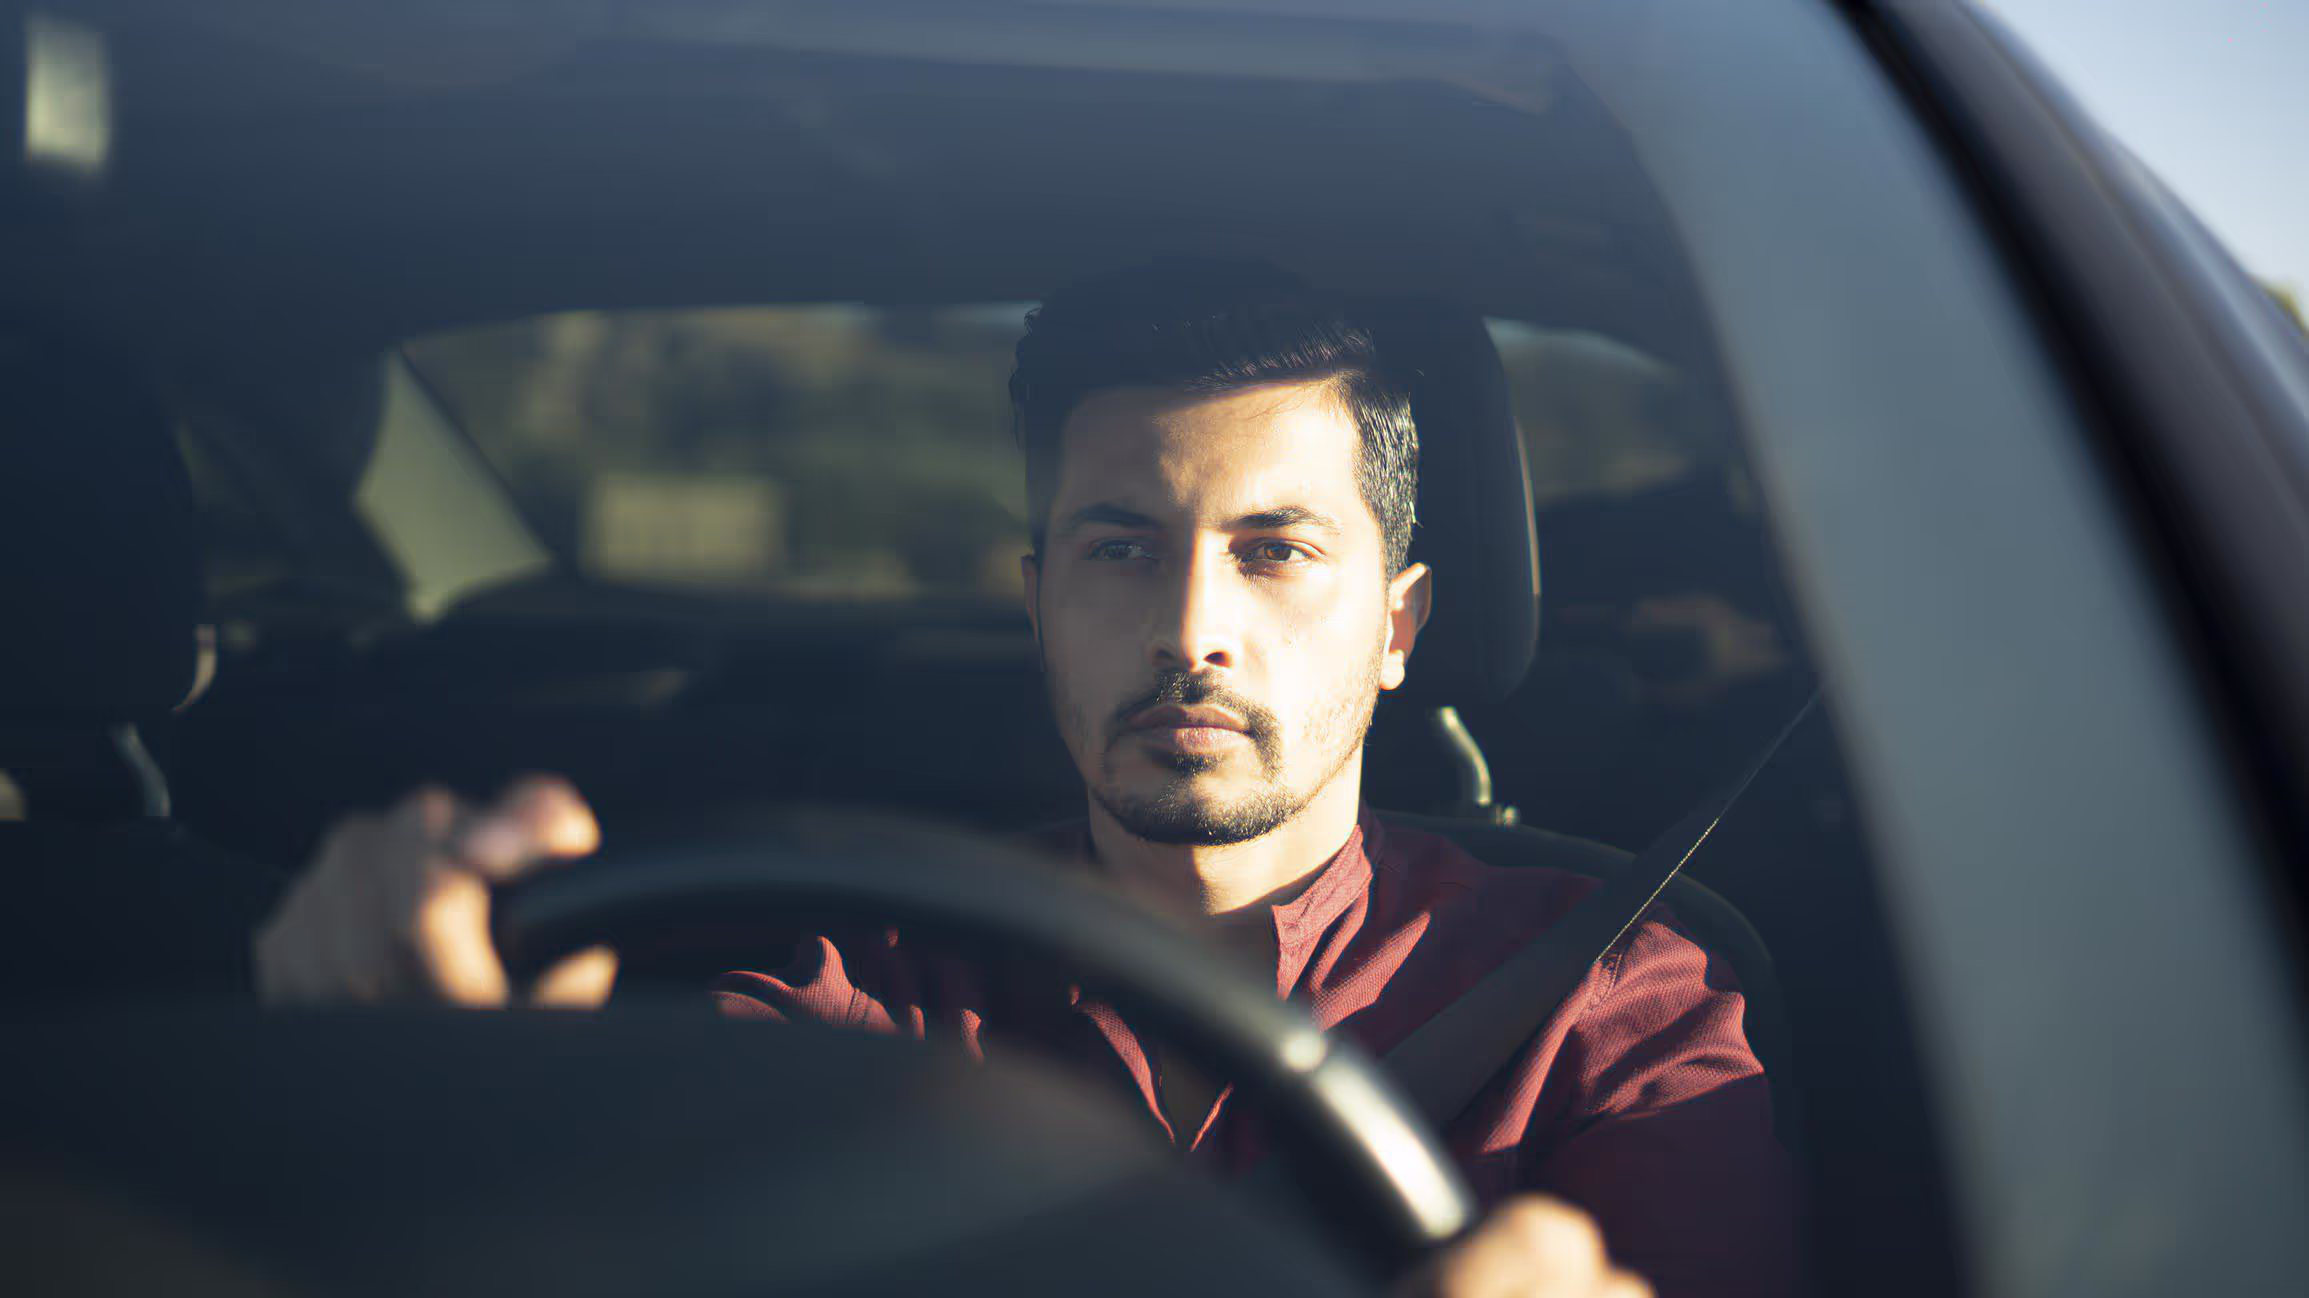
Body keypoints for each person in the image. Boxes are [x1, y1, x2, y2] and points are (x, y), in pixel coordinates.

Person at [255, 261, 1799, 1298]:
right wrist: (435, 1099)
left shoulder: (1613, 1003)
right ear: (1040, 595)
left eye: (1275, 552)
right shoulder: (854, 982)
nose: (1192, 629)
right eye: (1122, 547)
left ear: (1398, 627)